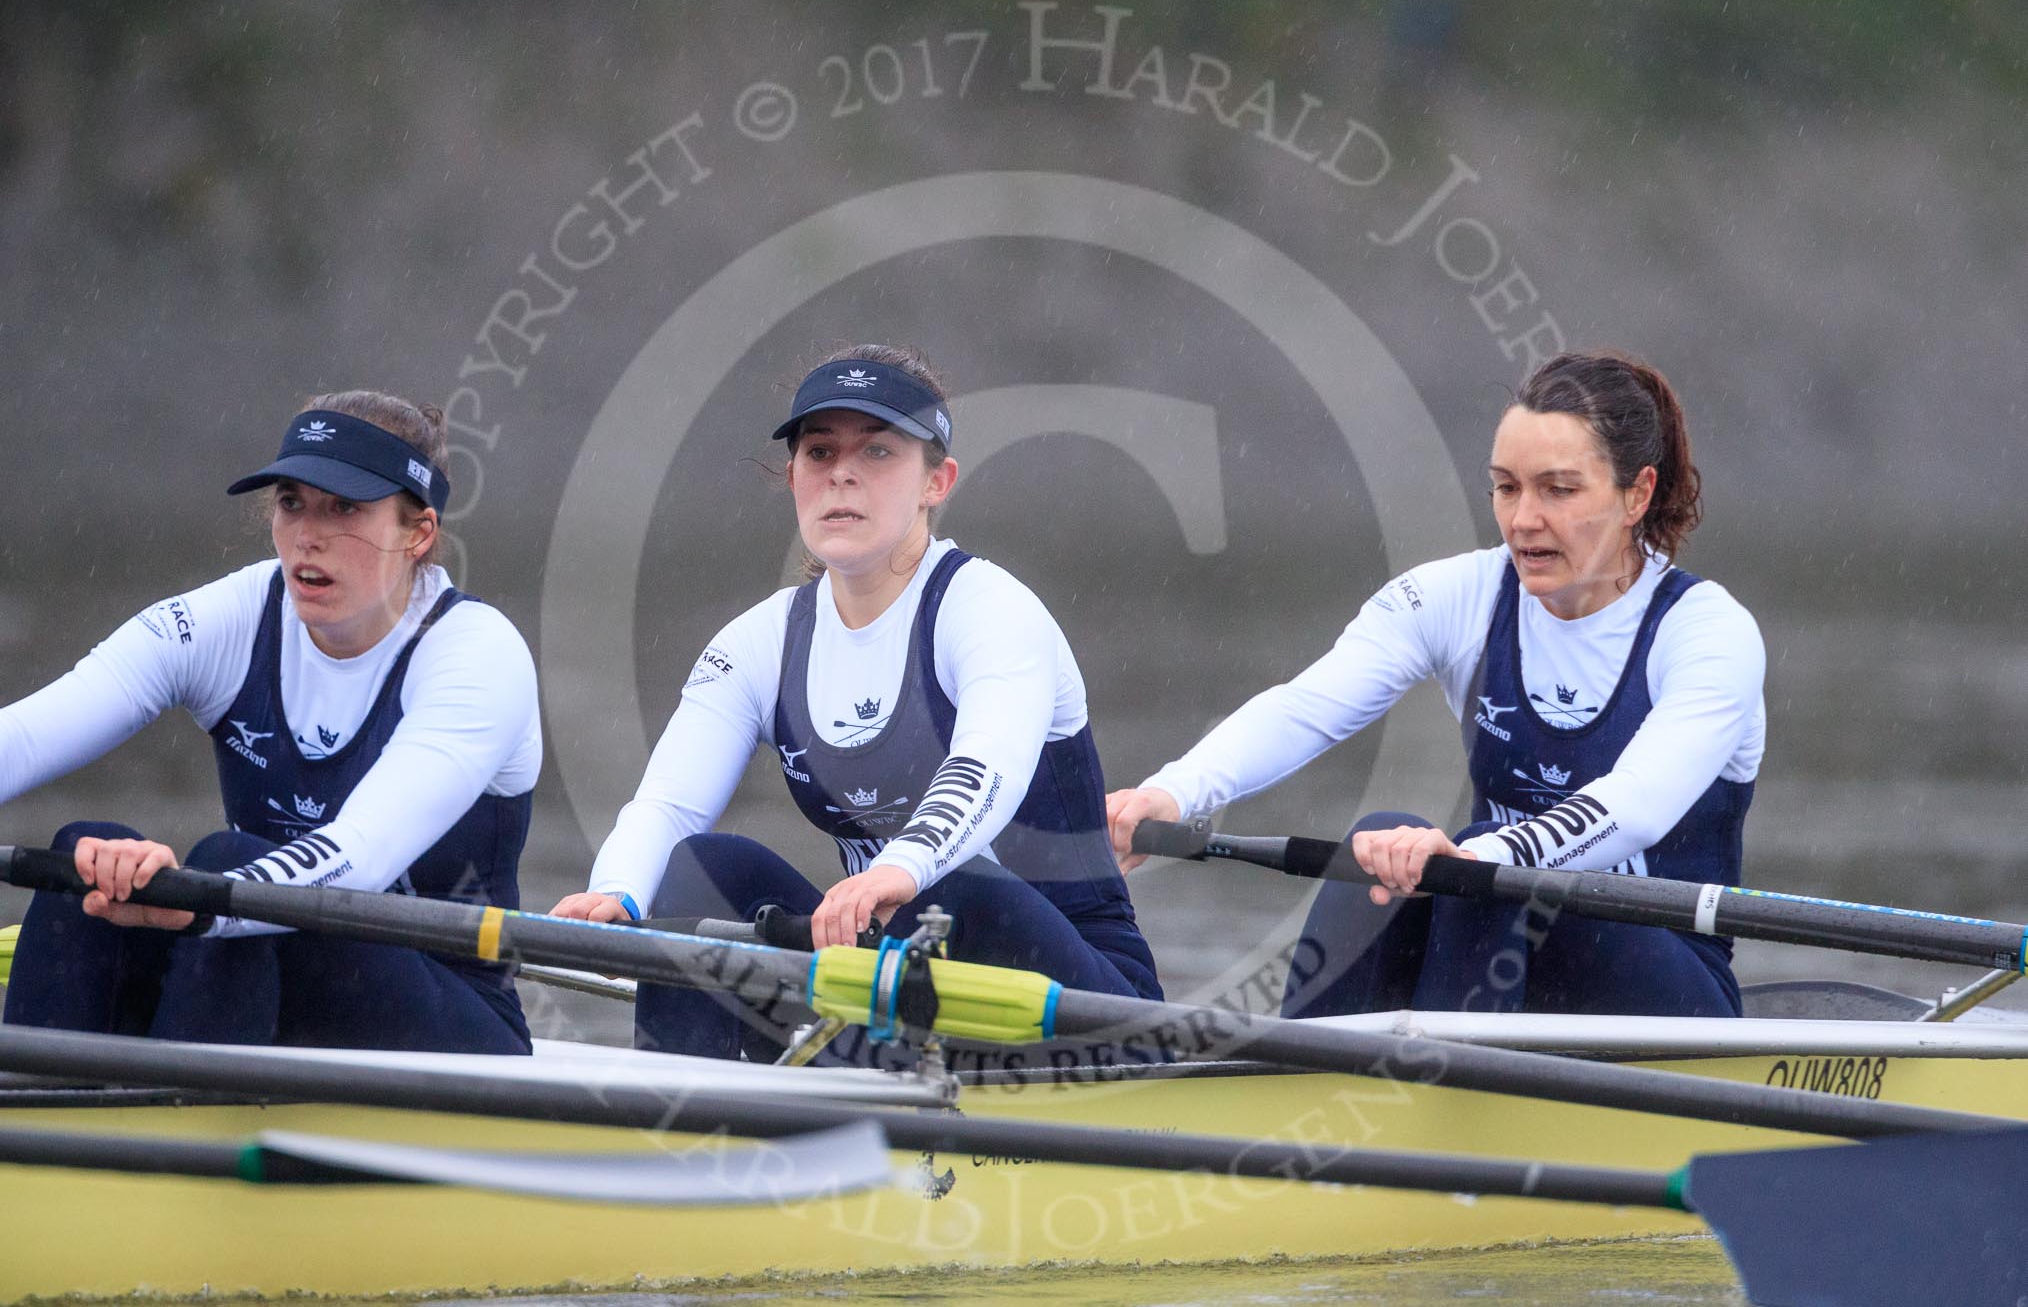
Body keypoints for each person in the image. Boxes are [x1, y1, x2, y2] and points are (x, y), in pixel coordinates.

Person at [1108, 350, 1764, 1018]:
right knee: (1382, 846)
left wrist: (1479, 855)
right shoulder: (1457, 599)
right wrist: (1172, 793)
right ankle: (1306, 1079)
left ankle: (1434, 1089)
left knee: (1474, 873)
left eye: (1558, 490)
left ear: (1637, 494)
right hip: (1497, 960)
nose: (1524, 519)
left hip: (1669, 995)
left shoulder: (1708, 635)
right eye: (1507, 487)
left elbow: (1639, 803)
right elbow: (1303, 708)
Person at [552, 344, 1162, 1060]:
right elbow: (667, 806)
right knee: (707, 867)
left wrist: (897, 868)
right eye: (819, 451)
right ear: (793, 478)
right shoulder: (759, 642)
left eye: (877, 450)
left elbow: (984, 767)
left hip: (1087, 1007)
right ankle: (685, 1126)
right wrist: (617, 895)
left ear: (938, 481)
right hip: (892, 983)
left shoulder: (991, 610)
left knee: (955, 892)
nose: (841, 471)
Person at [0, 391, 542, 1052]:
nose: (309, 536)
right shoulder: (228, 619)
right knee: (85, 855)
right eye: (292, 503)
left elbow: (362, 856)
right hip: (248, 971)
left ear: (418, 532)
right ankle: (36, 1109)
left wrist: (196, 899)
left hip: (453, 1014)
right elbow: (24, 740)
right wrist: (150, 887)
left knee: (228, 867)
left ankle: (175, 1129)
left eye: (344, 508)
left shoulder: (477, 654)